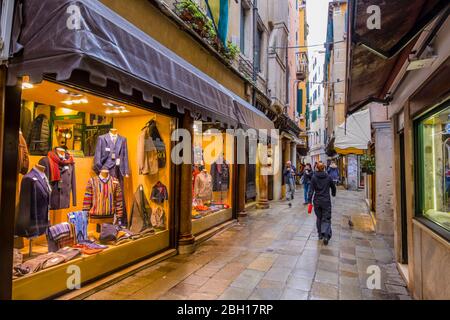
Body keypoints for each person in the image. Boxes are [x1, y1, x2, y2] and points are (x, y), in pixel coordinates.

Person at [308, 162, 336, 245]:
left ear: (316, 168)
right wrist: (333, 193)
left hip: (317, 201)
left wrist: (309, 201)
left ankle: (320, 234)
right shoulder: (328, 177)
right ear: (324, 168)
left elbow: (311, 190)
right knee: (326, 218)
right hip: (326, 201)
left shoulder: (314, 177)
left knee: (319, 218)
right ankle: (326, 235)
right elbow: (333, 187)